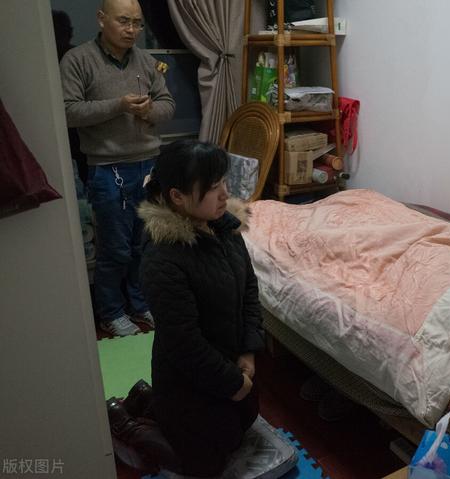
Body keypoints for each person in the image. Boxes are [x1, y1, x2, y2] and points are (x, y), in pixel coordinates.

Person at [137, 140, 264, 477]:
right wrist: (232, 382)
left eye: (223, 181)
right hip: (187, 381)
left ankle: (144, 399)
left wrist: (249, 351)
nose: (225, 194)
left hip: (228, 362)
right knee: (207, 464)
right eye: (211, 187)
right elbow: (183, 343)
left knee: (241, 426)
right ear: (177, 197)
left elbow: (249, 290)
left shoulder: (224, 228)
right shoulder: (162, 258)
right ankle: (130, 426)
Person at [60, 0, 175, 336]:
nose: (132, 30)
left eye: (138, 23)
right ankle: (110, 311)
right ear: (101, 19)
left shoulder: (146, 61)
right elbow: (67, 111)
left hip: (149, 164)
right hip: (106, 167)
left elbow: (168, 105)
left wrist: (149, 111)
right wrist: (119, 105)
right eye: (124, 21)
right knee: (115, 248)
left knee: (145, 243)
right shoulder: (78, 59)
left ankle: (140, 303)